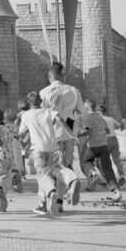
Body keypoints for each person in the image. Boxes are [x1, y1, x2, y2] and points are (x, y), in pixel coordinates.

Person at [18, 91, 67, 218]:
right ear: (41, 101)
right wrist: (71, 133)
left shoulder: (27, 115)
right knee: (45, 176)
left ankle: (51, 192)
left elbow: (21, 133)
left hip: (38, 149)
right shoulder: (48, 111)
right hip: (52, 148)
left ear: (28, 103)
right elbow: (60, 119)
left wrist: (22, 139)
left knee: (42, 176)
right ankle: (43, 204)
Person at [39, 62, 82, 204]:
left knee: (51, 168)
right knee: (65, 165)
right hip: (69, 133)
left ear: (49, 76)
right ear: (62, 75)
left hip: (52, 134)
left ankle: (52, 199)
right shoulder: (74, 91)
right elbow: (82, 113)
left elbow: (42, 115)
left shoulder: (45, 92)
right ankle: (60, 200)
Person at [77, 99, 124, 203]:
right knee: (108, 169)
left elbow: (88, 131)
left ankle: (94, 174)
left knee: (85, 162)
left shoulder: (86, 118)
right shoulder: (101, 118)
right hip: (104, 146)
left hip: (93, 146)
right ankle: (116, 192)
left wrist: (78, 134)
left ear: (87, 108)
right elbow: (107, 130)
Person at [97, 104, 125, 184]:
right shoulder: (110, 118)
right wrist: (121, 128)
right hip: (114, 139)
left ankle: (104, 179)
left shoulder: (99, 119)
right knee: (116, 159)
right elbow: (121, 125)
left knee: (102, 161)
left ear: (98, 111)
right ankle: (121, 176)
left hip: (105, 140)